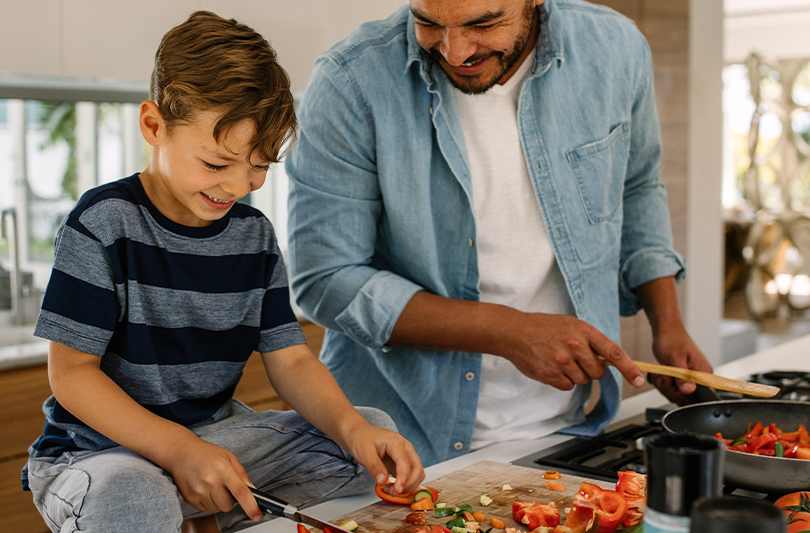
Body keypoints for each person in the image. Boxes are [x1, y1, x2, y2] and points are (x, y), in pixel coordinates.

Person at [22, 11, 423, 533]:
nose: (237, 186)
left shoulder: (253, 235)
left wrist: (348, 426)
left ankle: (197, 501)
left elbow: (291, 360)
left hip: (212, 438)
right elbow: (72, 376)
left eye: (259, 166)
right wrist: (178, 450)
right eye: (216, 164)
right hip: (98, 454)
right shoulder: (103, 223)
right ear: (153, 126)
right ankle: (187, 504)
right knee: (135, 493)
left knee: (369, 433)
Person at [285, 0, 713, 465]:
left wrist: (666, 323)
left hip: (567, 435)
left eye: (483, 24)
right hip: (396, 445)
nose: (454, 51)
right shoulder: (351, 80)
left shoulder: (616, 48)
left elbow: (637, 186)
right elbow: (325, 280)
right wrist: (509, 331)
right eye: (427, 23)